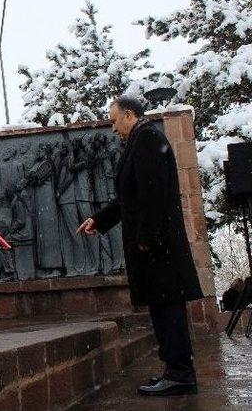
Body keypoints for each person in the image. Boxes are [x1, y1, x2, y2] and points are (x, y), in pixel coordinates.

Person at [77, 95, 203, 397]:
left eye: (114, 120)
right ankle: (176, 371)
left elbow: (153, 194)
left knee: (168, 308)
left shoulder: (147, 139)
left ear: (129, 115)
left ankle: (180, 374)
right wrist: (100, 219)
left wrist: (147, 238)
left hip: (158, 247)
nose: (112, 128)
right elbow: (130, 198)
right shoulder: (141, 140)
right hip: (157, 245)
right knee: (163, 309)